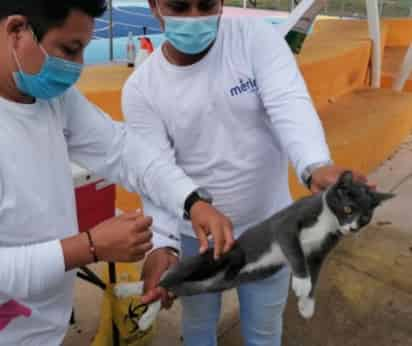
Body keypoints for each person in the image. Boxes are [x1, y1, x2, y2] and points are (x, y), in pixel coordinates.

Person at [122, 0, 370, 345]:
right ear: (154, 5)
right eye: (179, 6)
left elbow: (288, 101)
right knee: (197, 329)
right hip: (196, 239)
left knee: (264, 332)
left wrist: (314, 164)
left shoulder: (255, 40)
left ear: (222, 2)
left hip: (268, 230)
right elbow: (155, 173)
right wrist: (163, 245)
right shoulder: (141, 90)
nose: (194, 18)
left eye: (206, 4)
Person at [0, 1, 222, 344]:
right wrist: (89, 247)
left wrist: (191, 200)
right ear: (16, 31)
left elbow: (123, 150)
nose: (78, 66)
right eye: (70, 49)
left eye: (83, 50)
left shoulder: (51, 100)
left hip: (43, 330)